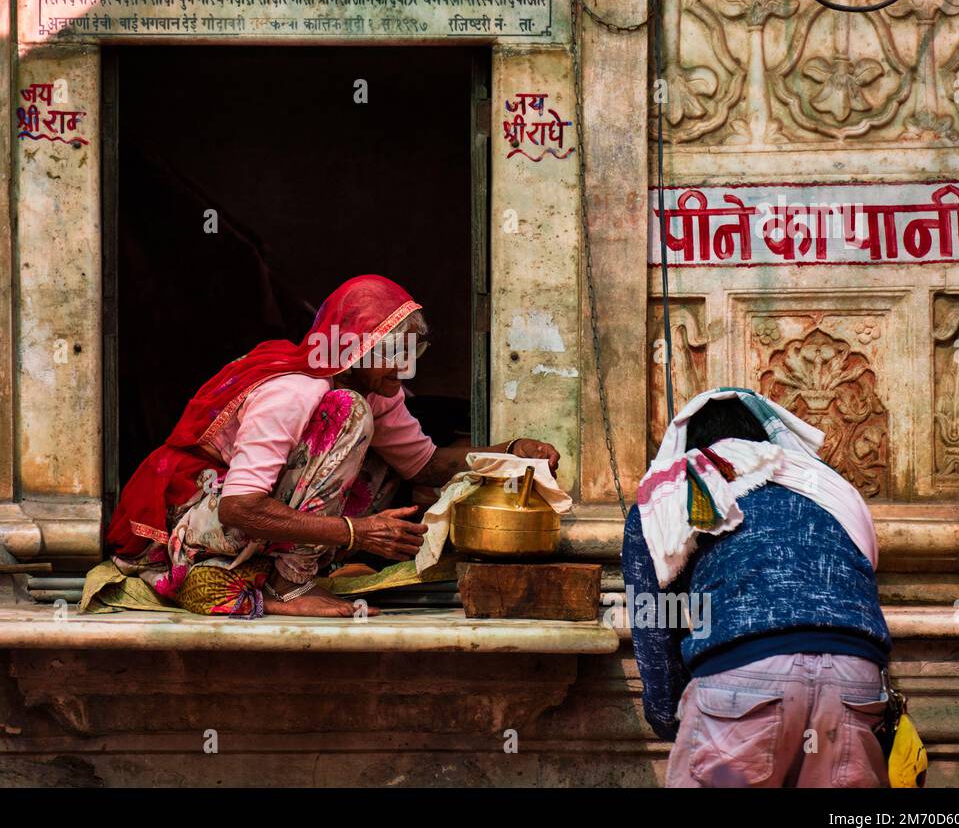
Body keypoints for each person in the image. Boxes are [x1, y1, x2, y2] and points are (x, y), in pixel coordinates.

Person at [107, 274, 560, 618]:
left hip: (243, 522)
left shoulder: (376, 390)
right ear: (357, 350)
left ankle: (292, 574)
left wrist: (511, 450)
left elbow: (423, 467)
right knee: (349, 412)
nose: (402, 374)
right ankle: (287, 586)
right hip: (188, 527)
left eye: (411, 359)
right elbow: (238, 508)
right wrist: (357, 533)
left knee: (376, 447)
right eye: (393, 358)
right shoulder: (296, 392)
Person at [621, 387, 892, 787]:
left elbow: (654, 627)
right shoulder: (827, 489)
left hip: (741, 677)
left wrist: (668, 717)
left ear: (688, 448)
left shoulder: (669, 495)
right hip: (855, 679)